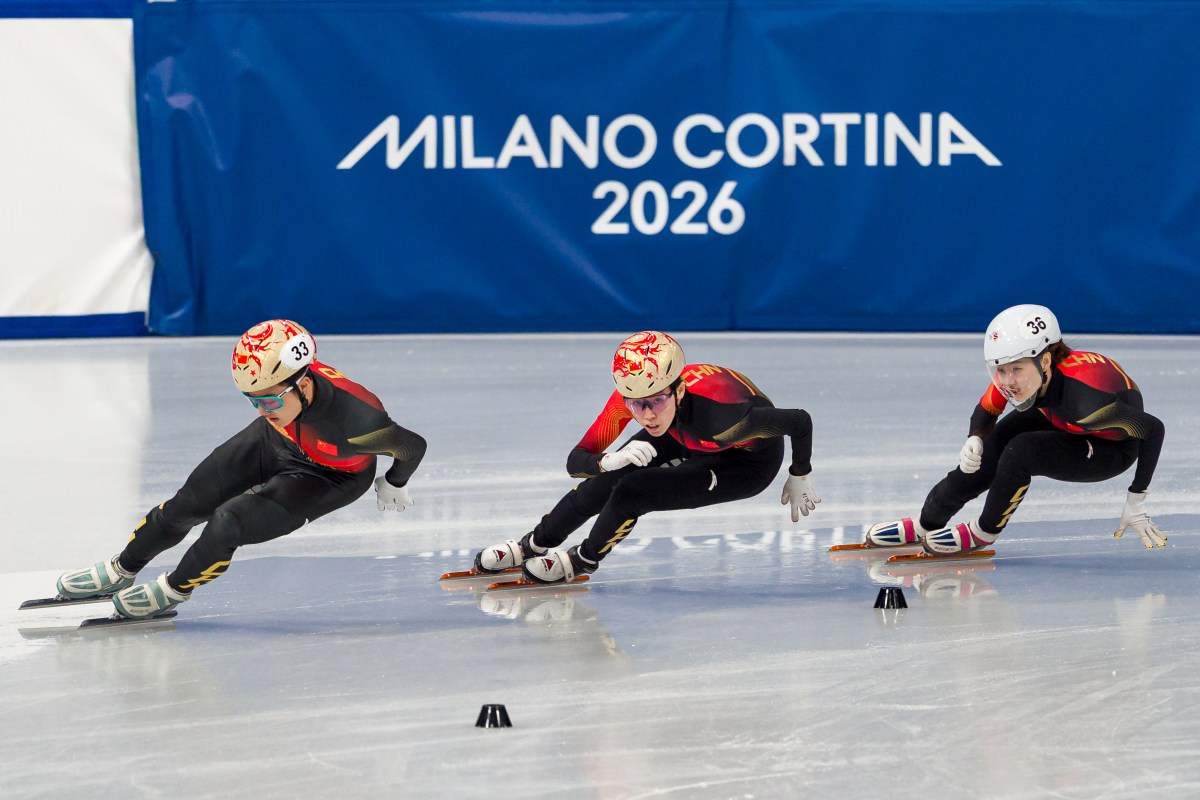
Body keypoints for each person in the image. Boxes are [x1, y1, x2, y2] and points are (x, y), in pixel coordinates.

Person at [57, 319, 427, 618]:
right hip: (276, 442)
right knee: (188, 504)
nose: (262, 407)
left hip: (331, 477)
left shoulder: (360, 422)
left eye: (268, 398)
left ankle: (174, 589)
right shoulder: (279, 407)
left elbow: (412, 446)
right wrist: (270, 409)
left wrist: (395, 481)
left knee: (227, 522)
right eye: (252, 400)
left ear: (304, 382)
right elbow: (272, 410)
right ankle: (122, 569)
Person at [472, 330, 820, 585]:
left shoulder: (728, 419)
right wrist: (605, 462)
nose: (646, 415)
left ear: (679, 389)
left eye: (655, 402)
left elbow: (799, 421)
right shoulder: (635, 398)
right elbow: (577, 460)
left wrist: (799, 472)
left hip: (742, 464)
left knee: (634, 491)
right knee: (605, 481)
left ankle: (583, 560)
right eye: (635, 405)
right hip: (681, 433)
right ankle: (532, 544)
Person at [865, 304, 1166, 555]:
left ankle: (983, 532)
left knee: (1021, 452)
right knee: (992, 445)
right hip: (1058, 415)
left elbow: (1153, 430)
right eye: (1001, 369)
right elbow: (986, 411)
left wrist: (1136, 498)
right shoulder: (1028, 374)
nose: (1008, 381)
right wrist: (974, 439)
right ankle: (925, 524)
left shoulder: (1089, 403)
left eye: (1016, 369)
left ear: (1045, 360)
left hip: (1110, 447)